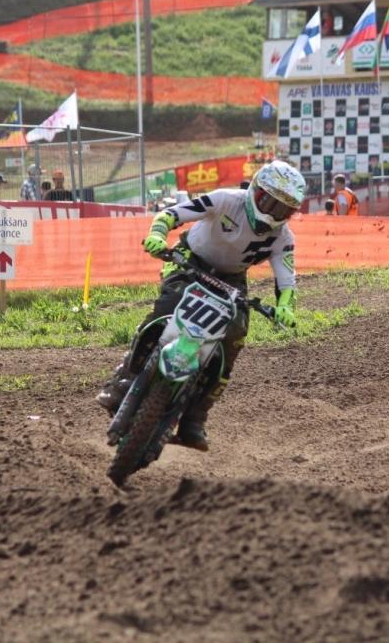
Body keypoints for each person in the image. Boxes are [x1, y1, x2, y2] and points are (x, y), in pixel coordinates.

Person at [96, 160, 304, 452]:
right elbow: (172, 213)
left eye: (283, 210)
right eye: (270, 203)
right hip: (189, 259)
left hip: (232, 280)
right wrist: (157, 234)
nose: (273, 213)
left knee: (234, 337)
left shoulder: (283, 238)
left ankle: (195, 419)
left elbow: (286, 279)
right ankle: (123, 380)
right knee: (167, 307)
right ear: (256, 191)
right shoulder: (225, 200)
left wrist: (286, 307)